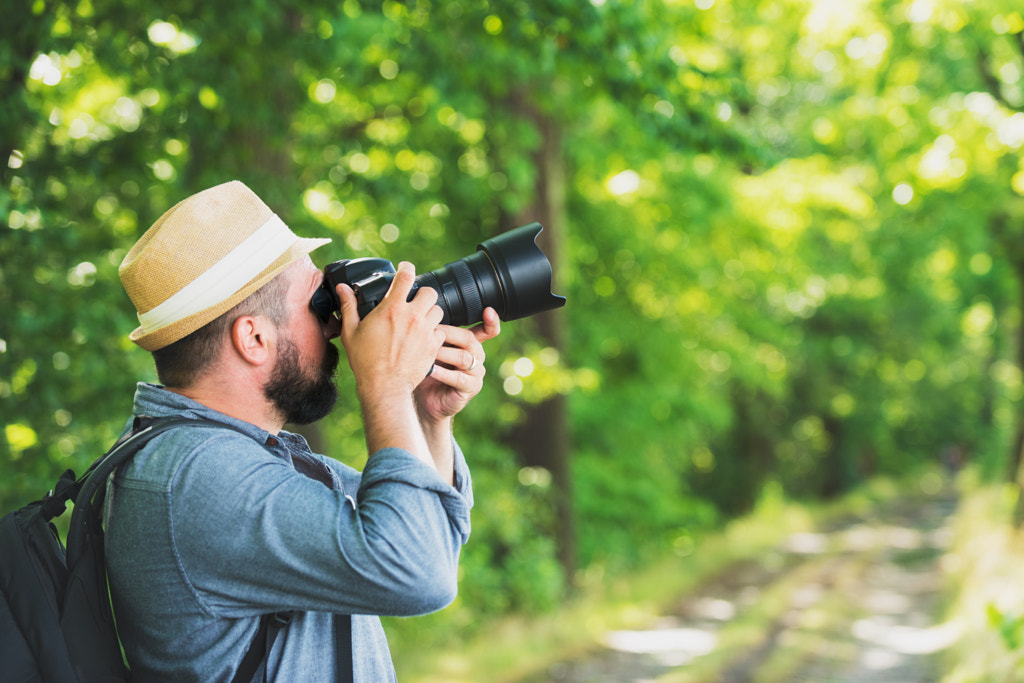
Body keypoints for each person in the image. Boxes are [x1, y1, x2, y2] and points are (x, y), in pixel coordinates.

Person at [107, 180, 500, 681]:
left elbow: (431, 537)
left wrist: (425, 413)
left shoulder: (233, 457)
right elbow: (418, 574)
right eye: (317, 302)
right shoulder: (197, 477)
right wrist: (384, 384)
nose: (336, 325)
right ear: (253, 338)